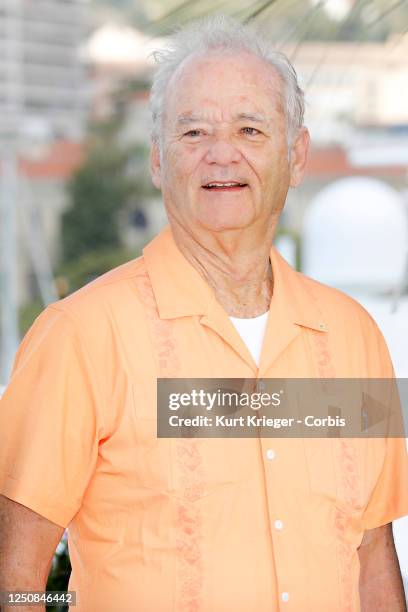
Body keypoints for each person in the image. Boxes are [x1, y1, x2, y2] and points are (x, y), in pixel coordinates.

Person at [1, 14, 408, 612]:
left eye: (250, 129)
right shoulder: (80, 338)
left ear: (296, 156)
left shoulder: (355, 339)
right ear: (159, 161)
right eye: (193, 134)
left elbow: (373, 554)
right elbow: (15, 573)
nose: (222, 155)